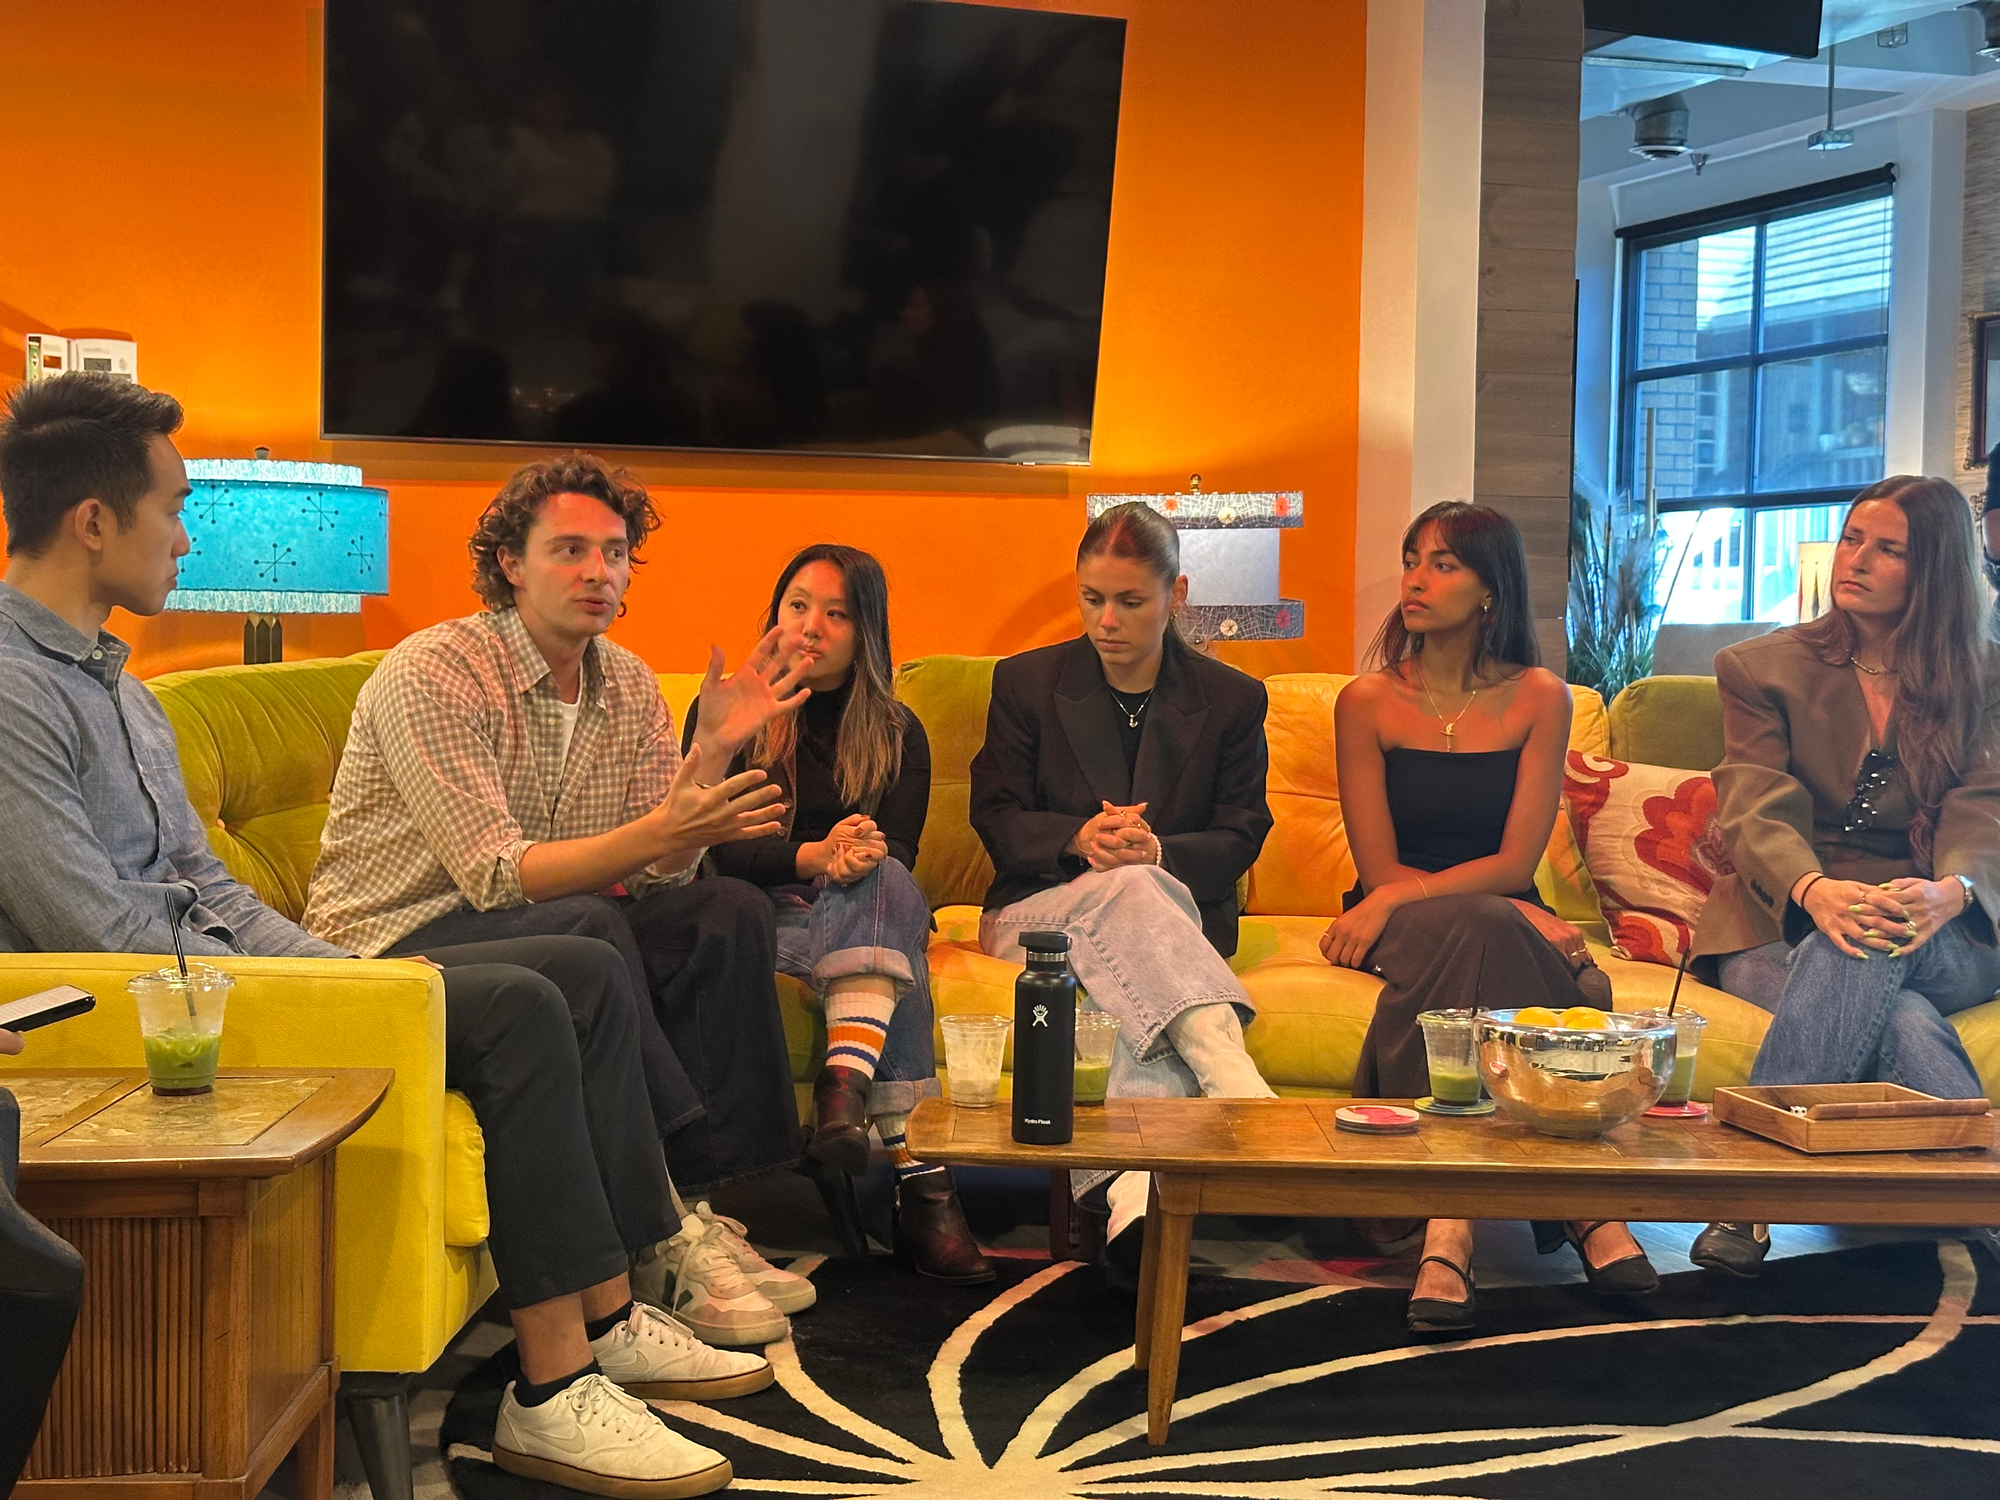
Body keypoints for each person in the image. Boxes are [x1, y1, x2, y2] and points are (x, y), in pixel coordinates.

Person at [0, 374, 758, 1498]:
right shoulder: (13, 692)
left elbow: (209, 888)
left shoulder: (129, 695)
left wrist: (347, 978)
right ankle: (551, 1391)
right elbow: (94, 930)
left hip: (226, 981)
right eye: (175, 509)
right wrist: (334, 991)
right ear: (95, 521)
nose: (187, 538)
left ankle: (610, 1315)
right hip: (149, 1021)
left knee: (582, 964)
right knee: (523, 999)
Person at [303, 452, 817, 1345]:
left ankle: (696, 1204)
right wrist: (660, 832)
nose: (598, 573)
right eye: (570, 550)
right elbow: (495, 875)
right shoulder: (436, 671)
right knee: (589, 922)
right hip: (396, 941)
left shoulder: (628, 683)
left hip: (540, 928)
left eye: (614, 554)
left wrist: (710, 754)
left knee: (726, 910)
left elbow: (661, 875)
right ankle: (659, 1223)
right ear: (510, 562)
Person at [1323, 501, 1656, 1332]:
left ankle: (1450, 1223)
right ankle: (1582, 1207)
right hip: (1399, 911)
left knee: (1488, 927)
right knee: (1505, 938)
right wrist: (1396, 898)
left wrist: (1497, 904)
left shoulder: (1541, 697)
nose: (1414, 579)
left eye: (1442, 564)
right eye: (1411, 559)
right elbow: (1379, 870)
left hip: (1497, 907)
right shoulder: (1365, 701)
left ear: (1489, 592)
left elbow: (1514, 864)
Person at [1691, 476, 2000, 1277]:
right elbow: (1754, 803)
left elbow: (1986, 804)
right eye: (1852, 538)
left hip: (1938, 923)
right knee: (1895, 1010)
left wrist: (1952, 892)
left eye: (1887, 549)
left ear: (1932, 569)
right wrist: (1814, 889)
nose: (1854, 560)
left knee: (1865, 935)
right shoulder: (1760, 668)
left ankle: (1746, 1199)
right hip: (1778, 920)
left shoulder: (1985, 677)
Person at [969, 501, 1276, 1268]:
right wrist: (1078, 839)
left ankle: (1134, 1200)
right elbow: (996, 816)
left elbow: (1243, 831)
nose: (1106, 621)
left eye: (1131, 601)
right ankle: (1231, 1077)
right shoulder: (1026, 683)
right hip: (1037, 914)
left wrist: (1159, 851)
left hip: (1165, 929)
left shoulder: (1233, 698)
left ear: (1177, 595)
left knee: (1131, 931)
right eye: (1092, 598)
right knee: (1132, 889)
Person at [683, 545, 992, 1283]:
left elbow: (902, 853)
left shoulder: (898, 730)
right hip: (765, 918)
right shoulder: (731, 712)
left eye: (836, 613)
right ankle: (926, 1189)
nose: (810, 627)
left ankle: (843, 1088)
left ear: (866, 632)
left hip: (861, 908)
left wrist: (857, 853)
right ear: (775, 613)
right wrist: (813, 857)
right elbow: (717, 851)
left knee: (886, 883)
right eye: (797, 606)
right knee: (892, 960)